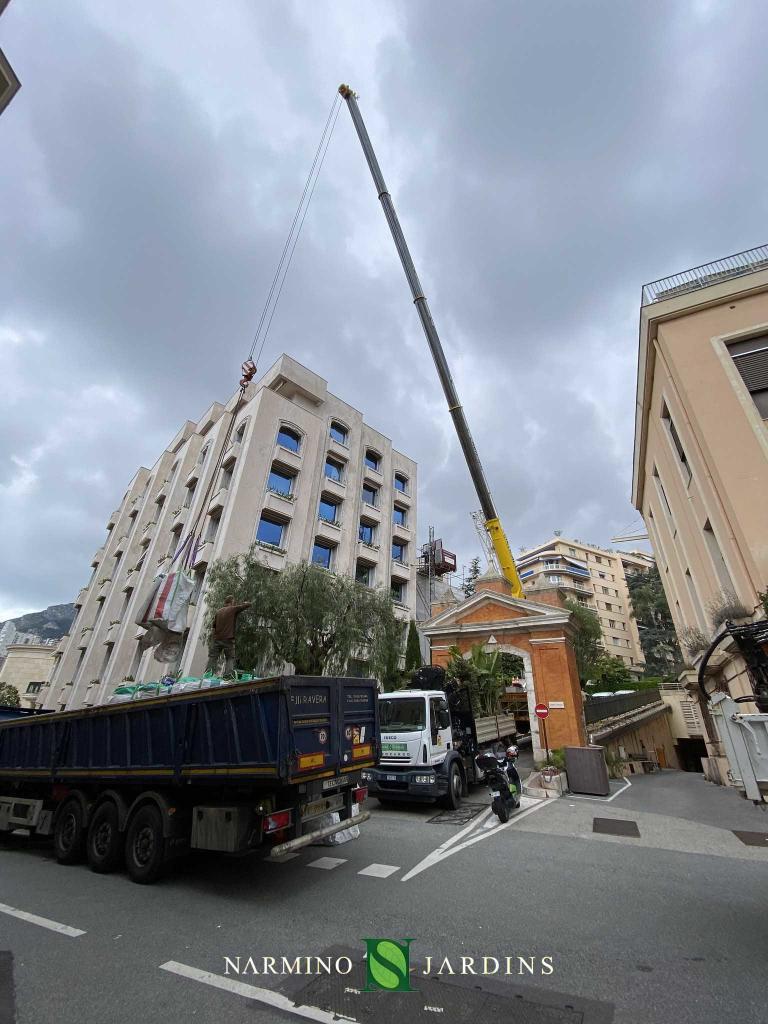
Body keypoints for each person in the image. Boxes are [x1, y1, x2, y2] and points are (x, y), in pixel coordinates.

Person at [205, 595, 251, 678]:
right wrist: (247, 602)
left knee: (213, 657)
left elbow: (213, 627)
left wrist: (214, 638)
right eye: (234, 601)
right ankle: (227, 675)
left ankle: (207, 674)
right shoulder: (232, 609)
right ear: (232, 601)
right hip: (228, 639)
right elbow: (246, 606)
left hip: (217, 639)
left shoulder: (218, 612)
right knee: (230, 658)